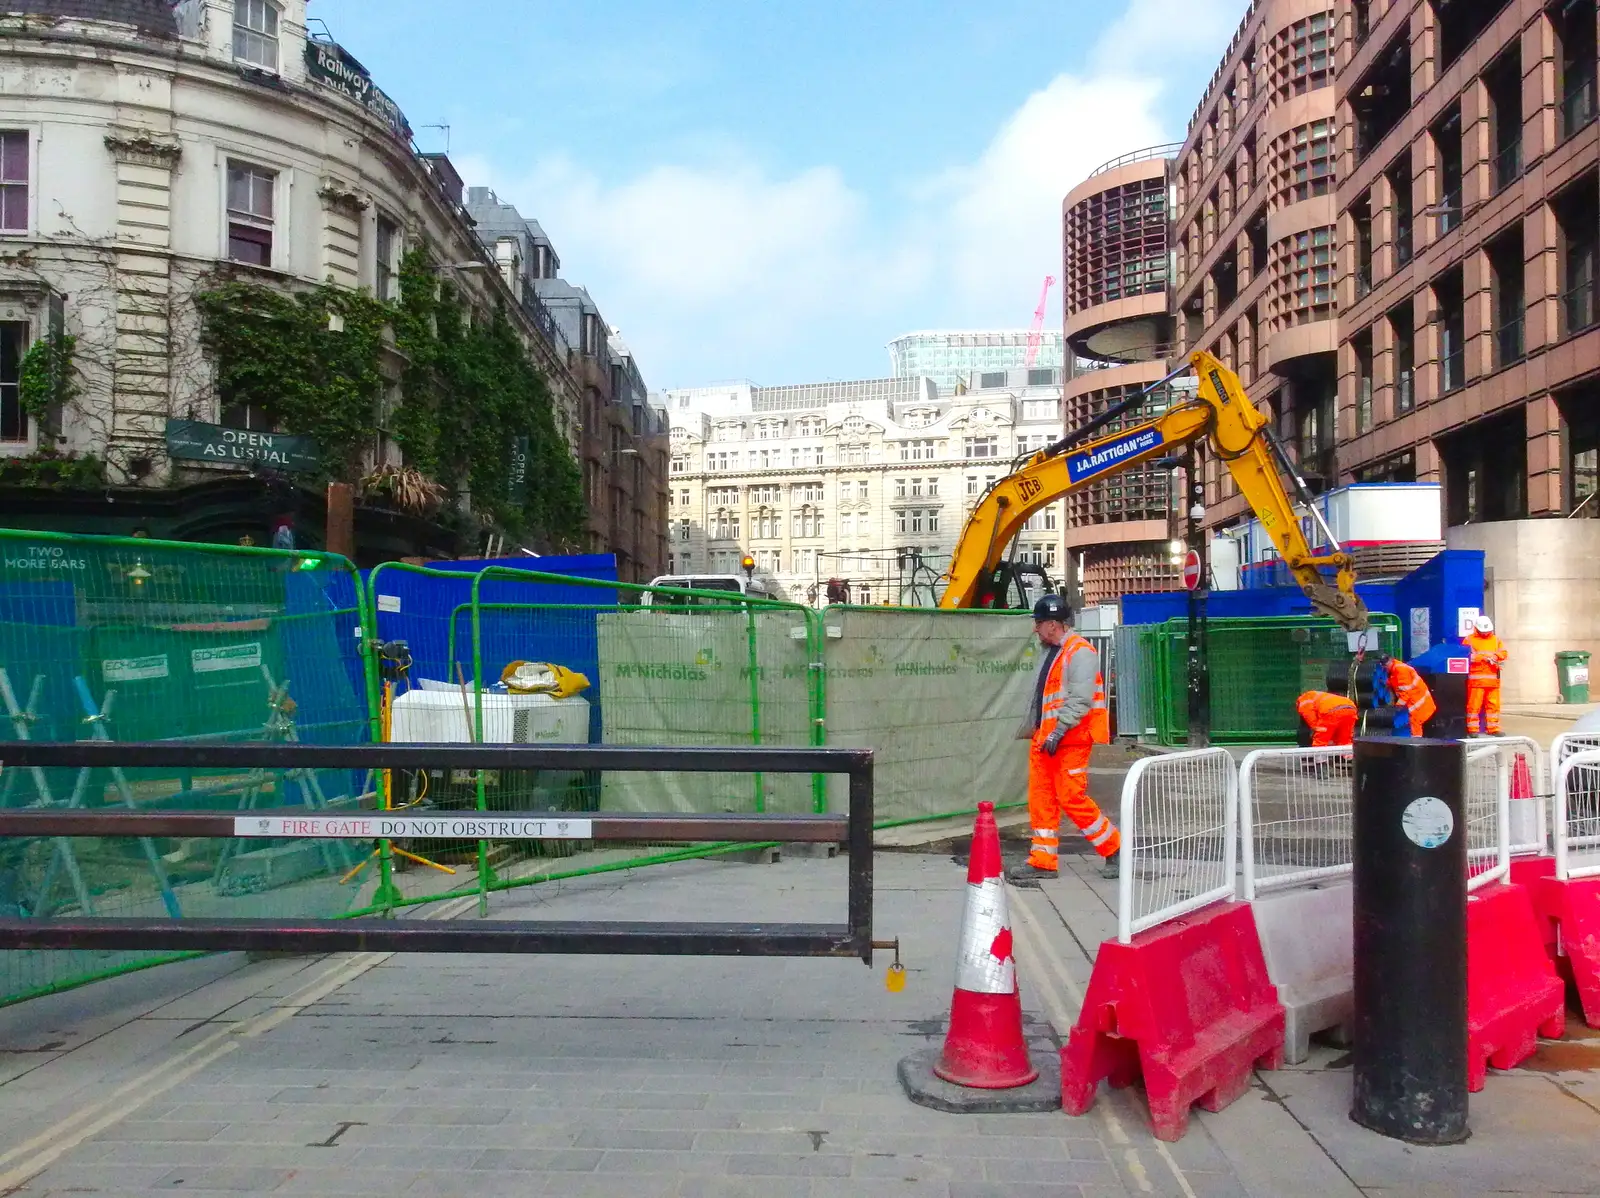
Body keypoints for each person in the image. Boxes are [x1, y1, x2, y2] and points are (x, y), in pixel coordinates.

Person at [1010, 594, 1117, 884]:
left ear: (1054, 625)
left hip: (1070, 738)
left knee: (1071, 797)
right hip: (1047, 739)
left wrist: (1058, 731)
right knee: (1041, 799)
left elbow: (1080, 700)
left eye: (1039, 623)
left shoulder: (1079, 652)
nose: (1036, 629)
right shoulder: (1054, 650)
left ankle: (1114, 847)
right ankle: (1043, 861)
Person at [1463, 614, 1507, 736]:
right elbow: (1466, 657)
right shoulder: (1469, 640)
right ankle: (1473, 729)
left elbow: (1504, 653)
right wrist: (1483, 658)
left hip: (1493, 680)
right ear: (1476, 628)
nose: (1486, 633)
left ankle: (1493, 728)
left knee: (1493, 706)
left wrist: (1495, 656)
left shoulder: (1496, 640)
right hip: (1477, 680)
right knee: (1474, 706)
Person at [1381, 655, 1437, 738]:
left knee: (1415, 724)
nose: (1385, 668)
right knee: (1413, 724)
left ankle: (1416, 746)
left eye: (1385, 666)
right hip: (1415, 702)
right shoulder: (1395, 669)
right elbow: (1396, 681)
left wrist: (1397, 707)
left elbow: (1405, 692)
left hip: (1419, 704)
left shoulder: (1401, 670)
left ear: (1390, 662)